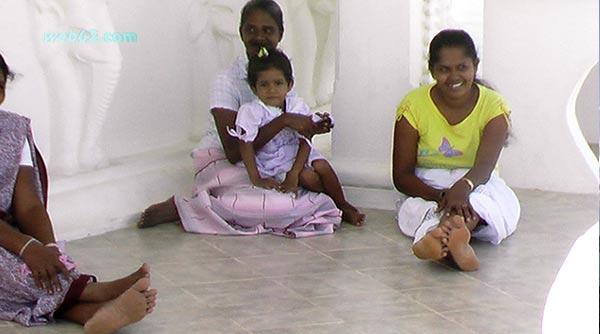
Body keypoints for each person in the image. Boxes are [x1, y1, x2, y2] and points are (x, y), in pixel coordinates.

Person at [138, 0, 351, 237]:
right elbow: (234, 151)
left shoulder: (283, 71)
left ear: (280, 34)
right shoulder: (226, 81)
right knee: (273, 204)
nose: (259, 37)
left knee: (312, 172)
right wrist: (283, 121)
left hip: (280, 151)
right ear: (241, 33)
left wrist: (311, 126)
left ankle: (325, 201)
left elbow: (297, 121)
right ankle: (188, 207)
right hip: (233, 158)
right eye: (251, 30)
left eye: (267, 30)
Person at [0, 52, 157, 334]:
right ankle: (97, 292)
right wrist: (26, 248)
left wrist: (49, 251)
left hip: (6, 235)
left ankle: (93, 314)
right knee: (8, 267)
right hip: (9, 241)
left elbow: (30, 206)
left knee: (33, 266)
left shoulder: (11, 129)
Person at [392, 29, 520, 271]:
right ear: (432, 71)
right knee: (419, 208)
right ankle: (456, 240)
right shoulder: (413, 105)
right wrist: (443, 197)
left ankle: (442, 238)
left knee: (486, 202)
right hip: (429, 184)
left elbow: (484, 167)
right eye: (444, 69)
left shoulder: (493, 106)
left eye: (462, 67)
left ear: (475, 66)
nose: (454, 76)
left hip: (477, 180)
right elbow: (401, 176)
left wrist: (462, 189)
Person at [229, 47, 364, 224]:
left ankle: (342, 204)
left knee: (322, 166)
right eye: (264, 85)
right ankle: (331, 204)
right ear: (254, 88)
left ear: (289, 85)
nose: (272, 90)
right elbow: (245, 144)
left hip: (299, 154)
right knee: (308, 177)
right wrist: (256, 178)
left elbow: (306, 139)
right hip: (274, 161)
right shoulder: (251, 111)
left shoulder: (296, 106)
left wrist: (294, 172)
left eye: (278, 83)